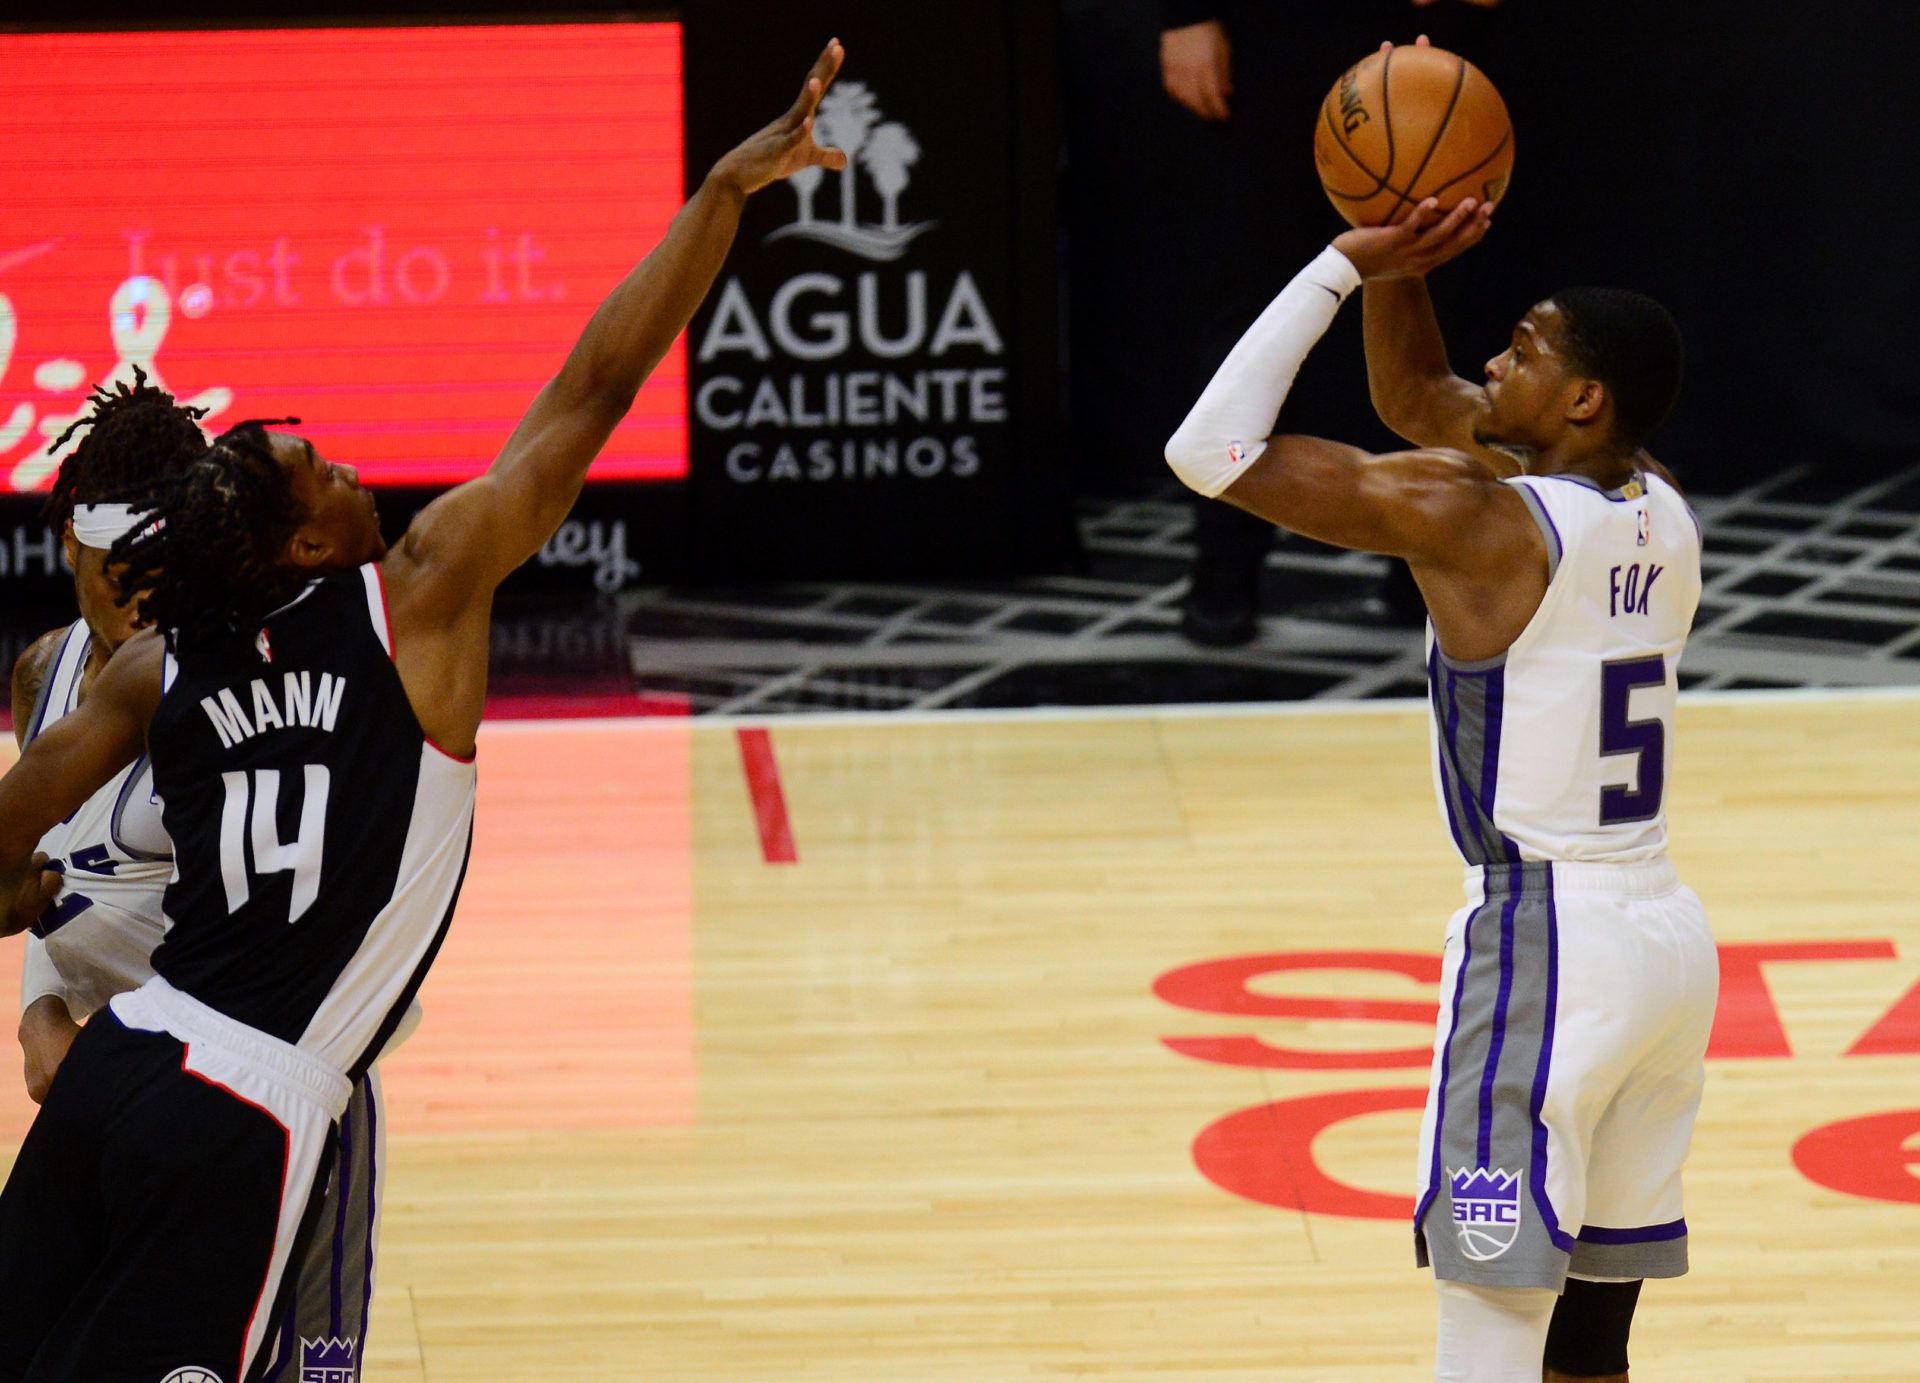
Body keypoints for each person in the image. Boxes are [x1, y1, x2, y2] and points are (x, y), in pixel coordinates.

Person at [0, 40, 848, 1382]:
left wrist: (10, 884)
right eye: (322, 468)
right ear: (298, 549)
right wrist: (725, 196)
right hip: (248, 1107)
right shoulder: (424, 599)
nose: (349, 469)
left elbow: (22, 798)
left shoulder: (153, 664)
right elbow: (594, 385)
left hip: (125, 1061)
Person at [1164, 140, 1716, 1383]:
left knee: (1490, 1334)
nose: (1496, 363)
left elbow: (1211, 454)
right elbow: (1421, 397)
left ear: (1581, 403)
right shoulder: (1659, 500)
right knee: (1591, 1344)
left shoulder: (1473, 522)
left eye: (1524, 348)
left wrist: (1339, 265)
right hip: (1667, 945)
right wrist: (1399, 255)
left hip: (1544, 943)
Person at [9, 368, 412, 1382]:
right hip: (119, 1101)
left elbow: (278, 919)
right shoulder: (44, 676)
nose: (141, 596)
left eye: (161, 568)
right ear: (71, 545)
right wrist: (41, 1008)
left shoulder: (221, 680)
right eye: (118, 573)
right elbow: (40, 883)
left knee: (310, 1372)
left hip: (259, 1097)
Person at [1158, 0, 1504, 645]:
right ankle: (1224, 565)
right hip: (1280, 35)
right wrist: (1186, 14)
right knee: (1257, 292)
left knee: (1441, 278)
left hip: (1432, 23)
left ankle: (1434, 557)